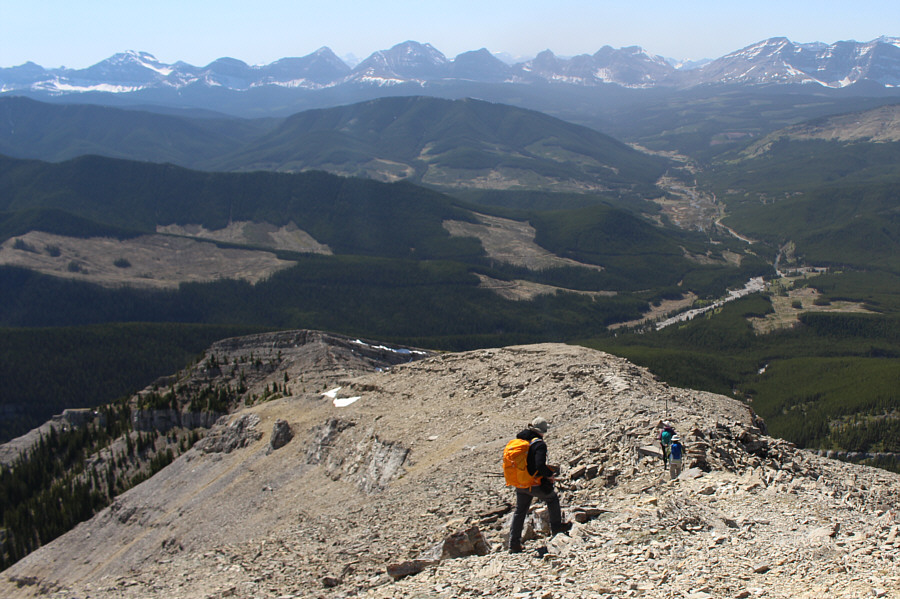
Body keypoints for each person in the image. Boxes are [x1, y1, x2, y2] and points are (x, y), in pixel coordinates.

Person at [508, 416, 571, 554]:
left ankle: (514, 543)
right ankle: (556, 532)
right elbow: (539, 465)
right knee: (552, 498)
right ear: (542, 431)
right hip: (533, 483)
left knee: (520, 511)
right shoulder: (539, 444)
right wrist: (549, 475)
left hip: (520, 483)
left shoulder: (521, 441)